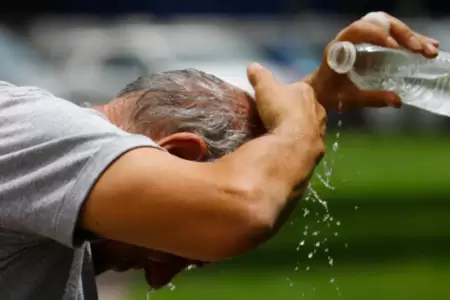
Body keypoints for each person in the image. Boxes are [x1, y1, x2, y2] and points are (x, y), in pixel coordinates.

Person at [0, 12, 438, 300]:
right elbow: (239, 210)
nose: (157, 279)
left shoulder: (46, 184)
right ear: (179, 156)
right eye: (179, 251)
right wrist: (296, 129)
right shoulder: (30, 129)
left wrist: (307, 101)